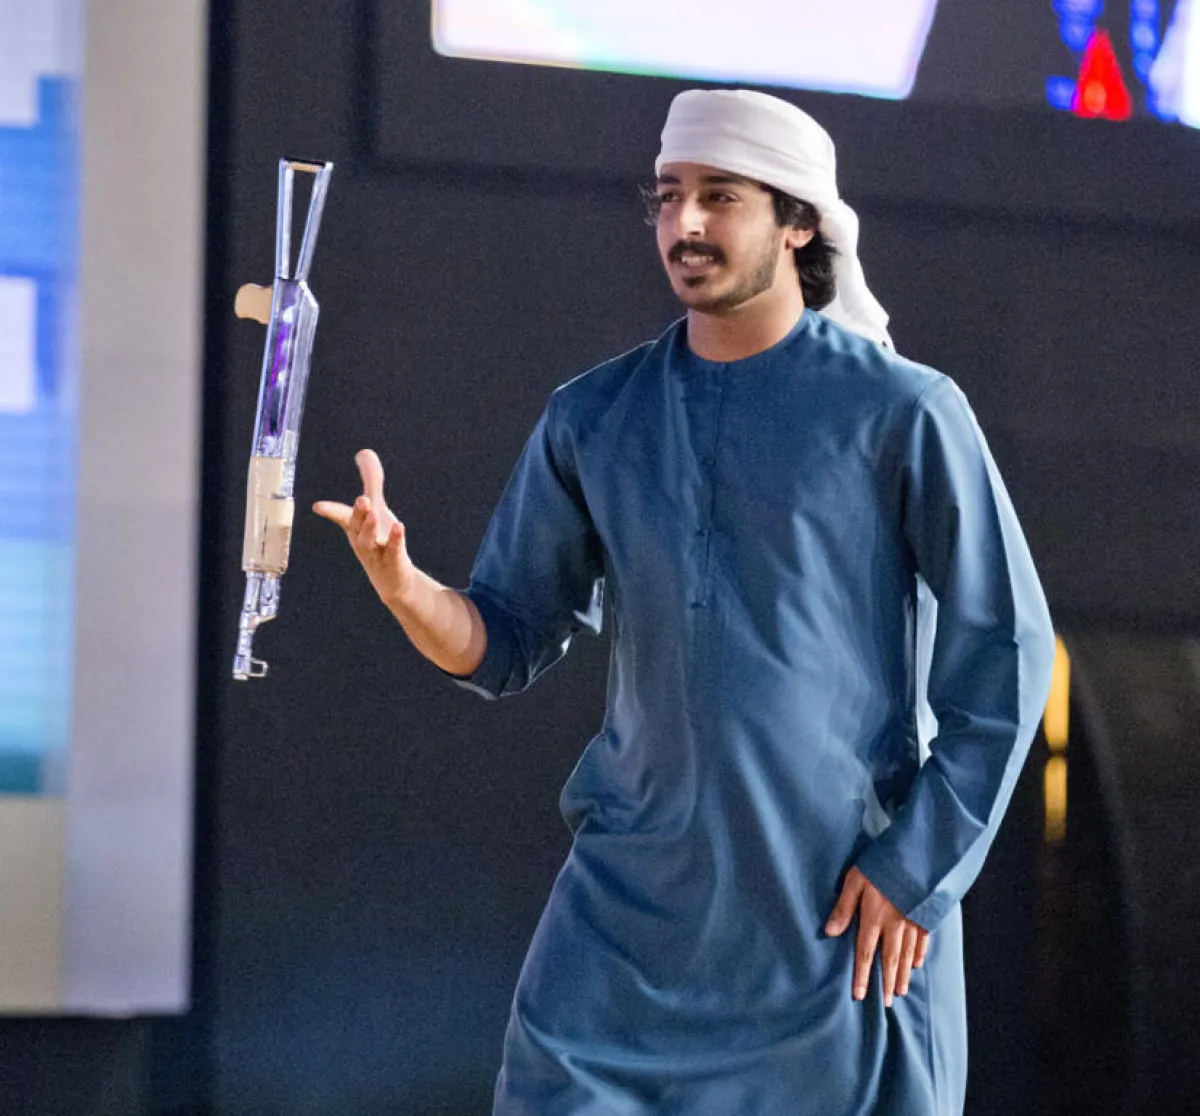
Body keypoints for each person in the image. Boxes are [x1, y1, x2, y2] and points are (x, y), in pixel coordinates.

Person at [315, 89, 1056, 1116]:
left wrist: (914, 868)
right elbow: (501, 640)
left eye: (720, 196)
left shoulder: (905, 411)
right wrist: (403, 584)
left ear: (798, 223)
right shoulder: (594, 416)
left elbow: (1007, 660)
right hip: (626, 936)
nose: (685, 224)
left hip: (833, 923)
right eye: (668, 196)